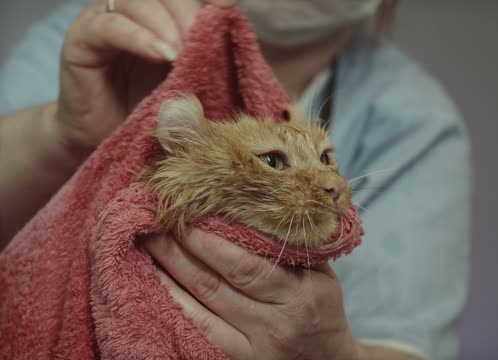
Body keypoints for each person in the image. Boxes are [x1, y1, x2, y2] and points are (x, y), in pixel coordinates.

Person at [0, 0, 471, 359]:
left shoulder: (413, 117)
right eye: (275, 161)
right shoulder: (114, 23)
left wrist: (334, 352)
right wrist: (62, 132)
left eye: (328, 158)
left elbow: (403, 343)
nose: (331, 184)